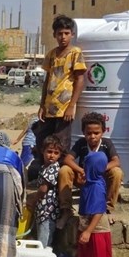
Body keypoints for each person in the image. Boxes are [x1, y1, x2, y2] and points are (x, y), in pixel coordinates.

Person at [58, 112, 123, 228]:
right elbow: (67, 159)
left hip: (99, 181)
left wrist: (100, 169)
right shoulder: (81, 143)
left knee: (117, 172)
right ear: (83, 133)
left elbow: (116, 161)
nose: (92, 136)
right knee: (64, 170)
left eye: (96, 133)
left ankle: (108, 209)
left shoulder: (106, 144)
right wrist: (80, 170)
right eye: (89, 133)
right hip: (83, 179)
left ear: (103, 132)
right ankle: (66, 210)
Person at [35, 15, 87, 154]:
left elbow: (80, 80)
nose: (63, 37)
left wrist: (71, 106)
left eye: (66, 33)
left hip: (64, 108)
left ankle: (60, 174)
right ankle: (43, 172)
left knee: (61, 144)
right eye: (59, 34)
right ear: (54, 35)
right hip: (49, 107)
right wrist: (42, 106)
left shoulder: (75, 53)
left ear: (72, 34)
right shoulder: (51, 54)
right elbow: (47, 81)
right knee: (42, 142)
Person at [76, 152, 122, 257]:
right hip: (87, 227)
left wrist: (88, 231)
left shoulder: (96, 187)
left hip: (96, 231)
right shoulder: (93, 182)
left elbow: (98, 211)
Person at [32, 136, 63, 248]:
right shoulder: (43, 167)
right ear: (42, 151)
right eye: (49, 151)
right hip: (42, 211)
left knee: (43, 244)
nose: (52, 155)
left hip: (48, 212)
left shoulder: (53, 168)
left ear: (59, 155)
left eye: (56, 153)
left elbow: (43, 189)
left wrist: (33, 201)